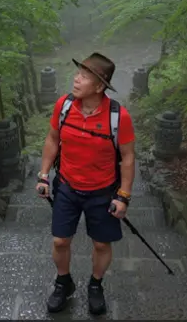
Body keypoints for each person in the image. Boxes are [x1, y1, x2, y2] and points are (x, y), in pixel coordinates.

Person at [35, 52, 135, 316]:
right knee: (60, 241)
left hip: (103, 192)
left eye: (83, 76)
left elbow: (127, 156)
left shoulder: (118, 117)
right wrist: (44, 175)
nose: (76, 80)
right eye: (77, 74)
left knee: (101, 244)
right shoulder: (64, 106)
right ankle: (63, 282)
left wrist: (123, 196)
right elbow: (53, 139)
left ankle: (95, 285)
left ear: (99, 86)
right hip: (67, 186)